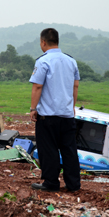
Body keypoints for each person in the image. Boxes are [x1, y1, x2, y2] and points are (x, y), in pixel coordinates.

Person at [29, 28, 81, 192]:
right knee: (69, 150)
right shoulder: (70, 61)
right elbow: (75, 85)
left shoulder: (43, 61)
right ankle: (73, 184)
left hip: (48, 116)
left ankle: (51, 183)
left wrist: (33, 108)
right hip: (67, 115)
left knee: (49, 149)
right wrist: (71, 106)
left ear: (43, 42)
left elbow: (37, 86)